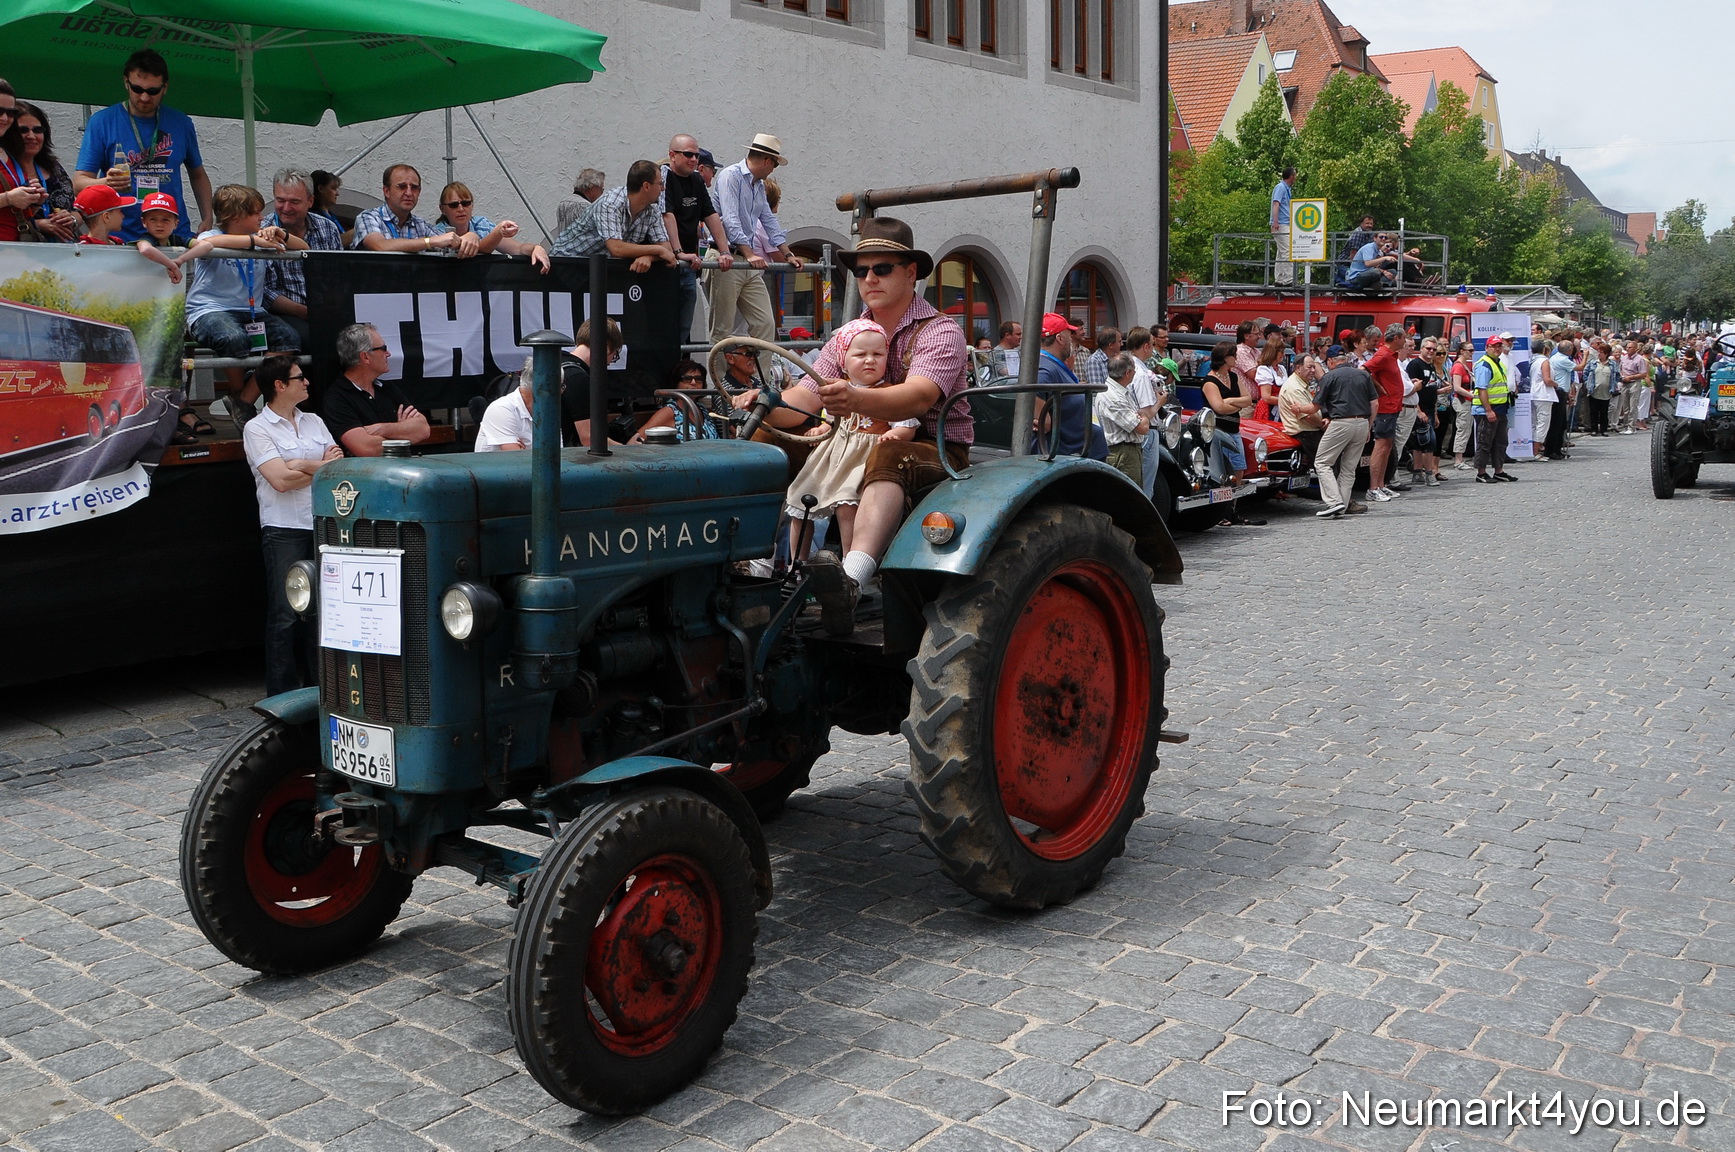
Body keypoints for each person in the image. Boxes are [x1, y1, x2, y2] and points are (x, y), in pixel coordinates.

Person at [784, 218, 972, 633]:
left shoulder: (940, 331)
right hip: (851, 437)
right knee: (769, 441)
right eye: (861, 270)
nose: (869, 278)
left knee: (888, 451)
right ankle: (760, 566)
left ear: (910, 273)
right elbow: (805, 396)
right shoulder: (849, 335)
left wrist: (854, 397)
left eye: (881, 268)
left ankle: (851, 577)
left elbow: (918, 396)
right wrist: (762, 405)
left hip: (929, 444)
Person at [243, 354, 341, 696]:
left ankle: (323, 689)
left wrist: (300, 463)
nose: (307, 382)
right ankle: (282, 695)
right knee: (286, 611)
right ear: (279, 385)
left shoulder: (313, 420)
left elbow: (338, 466)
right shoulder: (257, 428)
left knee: (323, 611)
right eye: (300, 378)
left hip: (321, 523)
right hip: (283, 527)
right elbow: (280, 480)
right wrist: (317, 467)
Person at [782, 319, 918, 565]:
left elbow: (907, 425)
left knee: (847, 506)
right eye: (860, 354)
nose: (870, 360)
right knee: (801, 502)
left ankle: (848, 565)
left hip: (863, 457)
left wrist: (895, 436)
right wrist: (822, 427)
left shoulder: (889, 393)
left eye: (878, 354)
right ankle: (797, 564)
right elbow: (831, 420)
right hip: (833, 454)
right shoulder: (838, 390)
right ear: (843, 360)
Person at [186, 185, 306, 426]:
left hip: (252, 312)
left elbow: (304, 248)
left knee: (288, 338)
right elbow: (210, 242)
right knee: (233, 338)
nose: (262, 218)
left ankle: (243, 401)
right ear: (235, 216)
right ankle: (241, 397)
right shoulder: (209, 236)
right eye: (255, 213)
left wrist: (280, 234)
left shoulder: (263, 236)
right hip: (210, 310)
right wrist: (253, 241)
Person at [73, 49, 211, 242]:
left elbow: (197, 173)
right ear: (126, 83)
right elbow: (79, 182)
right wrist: (106, 182)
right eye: (137, 89)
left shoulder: (181, 122)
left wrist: (208, 216)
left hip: (171, 235)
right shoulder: (102, 122)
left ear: (165, 87)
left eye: (153, 91)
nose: (145, 97)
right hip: (120, 235)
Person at [708, 135, 804, 345]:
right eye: (775, 165)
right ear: (767, 161)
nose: (773, 170)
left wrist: (788, 254)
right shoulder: (730, 176)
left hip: (744, 261)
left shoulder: (758, 185)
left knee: (765, 324)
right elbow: (730, 220)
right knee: (722, 329)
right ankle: (720, 378)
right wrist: (750, 254)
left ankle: (759, 377)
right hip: (727, 257)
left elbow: (769, 221)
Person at [661, 135, 735, 343]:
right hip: (667, 263)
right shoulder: (664, 176)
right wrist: (678, 252)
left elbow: (711, 215)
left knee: (684, 325)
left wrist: (725, 251)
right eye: (688, 154)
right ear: (672, 155)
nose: (694, 159)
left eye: (696, 155)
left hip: (688, 265)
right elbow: (667, 215)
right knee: (663, 322)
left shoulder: (696, 180)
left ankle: (679, 369)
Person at [262, 168, 344, 350]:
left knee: (358, 338)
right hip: (283, 313)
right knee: (309, 339)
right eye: (280, 200)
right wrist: (305, 311)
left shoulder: (327, 228)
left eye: (294, 202)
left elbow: (338, 276)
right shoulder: (263, 231)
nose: (286, 208)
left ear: (310, 201)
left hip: (325, 311)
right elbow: (266, 292)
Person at [552, 159, 677, 276]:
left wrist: (648, 257)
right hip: (565, 265)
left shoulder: (652, 209)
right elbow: (616, 249)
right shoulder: (610, 204)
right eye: (660, 183)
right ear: (646, 186)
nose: (663, 188)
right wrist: (657, 250)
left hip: (595, 270)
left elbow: (666, 249)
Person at [323, 323, 431, 456]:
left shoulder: (388, 388)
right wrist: (402, 431)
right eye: (383, 348)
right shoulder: (337, 399)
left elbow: (423, 429)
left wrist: (381, 429)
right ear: (365, 357)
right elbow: (367, 449)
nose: (388, 353)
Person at [1201, 341, 1264, 526]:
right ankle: (1219, 513)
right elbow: (1218, 407)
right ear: (1224, 358)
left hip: (1234, 429)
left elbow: (1247, 400)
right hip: (1218, 431)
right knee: (1221, 472)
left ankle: (1232, 509)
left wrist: (1230, 400)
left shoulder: (1233, 377)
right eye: (1233, 355)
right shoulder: (1210, 381)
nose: (1236, 359)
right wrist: (1232, 403)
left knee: (1238, 469)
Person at [1029, 313, 1107, 461]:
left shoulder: (1051, 365)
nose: (1071, 340)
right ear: (1059, 338)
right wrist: (1041, 418)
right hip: (1065, 457)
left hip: (1076, 454)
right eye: (1068, 334)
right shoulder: (1045, 368)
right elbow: (1043, 422)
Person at [1312, 347, 1377, 518]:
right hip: (1362, 422)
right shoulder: (1363, 374)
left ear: (1331, 361)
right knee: (1349, 467)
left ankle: (1334, 502)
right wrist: (1368, 426)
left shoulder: (1329, 376)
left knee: (1322, 462)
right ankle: (1343, 503)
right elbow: (1375, 403)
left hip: (1341, 422)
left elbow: (1315, 406)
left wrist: (1298, 408)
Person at [1, 102, 79, 242]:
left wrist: (71, 219)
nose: (31, 136)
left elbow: (77, 210)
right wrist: (39, 225)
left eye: (37, 130)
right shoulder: (5, 172)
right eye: (23, 130)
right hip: (21, 252)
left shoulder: (54, 168)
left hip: (65, 254)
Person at [352, 164, 472, 255]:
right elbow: (380, 246)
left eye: (414, 188)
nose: (409, 193)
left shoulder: (421, 225)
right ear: (386, 191)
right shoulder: (368, 217)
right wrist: (430, 242)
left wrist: (470, 238)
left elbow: (451, 245)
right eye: (402, 187)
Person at [433, 181, 549, 270]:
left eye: (466, 203)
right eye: (454, 205)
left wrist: (536, 248)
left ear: (472, 205)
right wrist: (496, 232)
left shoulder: (481, 224)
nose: (461, 209)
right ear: (442, 209)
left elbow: (517, 248)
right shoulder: (437, 231)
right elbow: (477, 249)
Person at [557, 318, 626, 447]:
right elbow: (589, 438)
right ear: (605, 346)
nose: (610, 361)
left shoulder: (557, 363)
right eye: (615, 353)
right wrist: (630, 451)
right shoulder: (577, 377)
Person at [1362, 325, 1407, 501]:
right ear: (1396, 338)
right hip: (1385, 408)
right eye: (1403, 337)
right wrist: (1379, 388)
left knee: (1387, 447)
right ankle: (1373, 488)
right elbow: (1364, 370)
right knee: (1380, 447)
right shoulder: (1382, 354)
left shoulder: (1391, 355)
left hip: (1393, 407)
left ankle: (1381, 484)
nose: (1404, 341)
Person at [1096, 353, 1149, 487]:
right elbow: (1142, 427)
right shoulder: (1113, 397)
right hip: (1121, 453)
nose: (1135, 373)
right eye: (1134, 371)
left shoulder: (1121, 391)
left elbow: (1139, 419)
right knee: (1127, 497)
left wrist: (1140, 416)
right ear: (1127, 373)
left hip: (1129, 452)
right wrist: (1143, 416)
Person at [1473, 332, 1516, 482]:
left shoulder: (1498, 362)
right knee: (1485, 442)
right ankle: (1481, 473)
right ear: (1487, 348)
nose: (1497, 349)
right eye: (1494, 346)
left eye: (1499, 346)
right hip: (1487, 410)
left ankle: (1499, 470)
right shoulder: (1484, 364)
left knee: (1500, 441)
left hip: (1501, 408)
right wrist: (1488, 410)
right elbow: (1482, 389)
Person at [475, 358, 538, 452]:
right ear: (542, 389)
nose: (561, 392)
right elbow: (516, 459)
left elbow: (557, 454)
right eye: (561, 386)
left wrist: (524, 451)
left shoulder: (550, 412)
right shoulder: (500, 409)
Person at [1406, 336, 1445, 485]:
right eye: (1428, 348)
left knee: (1420, 442)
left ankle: (1417, 472)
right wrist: (1418, 410)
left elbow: (1432, 389)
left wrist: (1434, 414)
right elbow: (1411, 389)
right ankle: (1428, 473)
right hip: (1419, 408)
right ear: (1421, 348)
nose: (1431, 351)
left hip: (1430, 409)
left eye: (1434, 349)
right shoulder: (1415, 365)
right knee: (1429, 442)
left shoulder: (1431, 366)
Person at [1278, 352, 1326, 472]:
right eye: (1309, 367)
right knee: (1325, 466)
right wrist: (1322, 425)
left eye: (1314, 367)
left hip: (1310, 430)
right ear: (1298, 368)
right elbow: (1308, 416)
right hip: (1305, 432)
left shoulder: (1302, 384)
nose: (1313, 370)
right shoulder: (1294, 387)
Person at [1449, 340, 1477, 468]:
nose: (1472, 353)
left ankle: (1460, 458)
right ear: (1462, 351)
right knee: (1462, 428)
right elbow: (1457, 387)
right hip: (1462, 401)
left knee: (1466, 429)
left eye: (1473, 350)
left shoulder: (1464, 365)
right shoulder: (1458, 366)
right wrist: (1473, 396)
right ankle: (1458, 460)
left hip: (1467, 401)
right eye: (1470, 350)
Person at [1529, 337, 1558, 461]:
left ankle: (1533, 449)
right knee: (1543, 423)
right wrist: (1556, 384)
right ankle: (1536, 451)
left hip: (1534, 393)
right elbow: (1547, 380)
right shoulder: (1544, 361)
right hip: (1543, 394)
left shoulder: (1532, 361)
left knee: (1535, 422)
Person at [1270, 166, 1296, 286]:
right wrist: (1276, 222)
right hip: (1282, 224)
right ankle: (1288, 279)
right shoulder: (1281, 188)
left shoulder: (1287, 189)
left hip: (1283, 223)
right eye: (1295, 175)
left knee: (1281, 252)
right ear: (1291, 176)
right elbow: (1276, 204)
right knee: (1287, 251)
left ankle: (1279, 279)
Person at [1584, 341, 1615, 437]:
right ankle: (1594, 429)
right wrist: (1587, 384)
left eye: (1601, 352)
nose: (1599, 354)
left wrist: (1615, 385)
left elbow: (1616, 376)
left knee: (1604, 412)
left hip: (1606, 392)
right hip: (1594, 391)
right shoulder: (1593, 363)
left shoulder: (1612, 364)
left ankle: (1604, 429)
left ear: (1606, 354)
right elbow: (1585, 373)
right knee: (1593, 411)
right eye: (1598, 352)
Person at [1615, 339, 1646, 434]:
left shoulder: (1640, 359)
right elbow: (1620, 369)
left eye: (1630, 347)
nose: (1628, 349)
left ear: (1635, 349)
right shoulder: (1624, 358)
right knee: (1625, 407)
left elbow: (1643, 373)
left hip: (1634, 383)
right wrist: (1622, 376)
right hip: (1625, 383)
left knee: (1633, 406)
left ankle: (1631, 427)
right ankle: (1626, 426)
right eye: (1627, 347)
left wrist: (1631, 377)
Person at [1252, 335, 1286, 421]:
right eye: (1281, 352)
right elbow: (1266, 397)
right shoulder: (1264, 369)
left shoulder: (1281, 368)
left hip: (1280, 408)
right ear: (1273, 352)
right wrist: (1287, 402)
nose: (1283, 354)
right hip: (1268, 409)